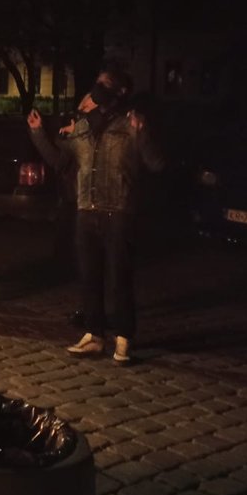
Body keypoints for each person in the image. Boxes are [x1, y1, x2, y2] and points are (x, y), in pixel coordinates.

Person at [27, 67, 163, 364]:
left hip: (119, 211)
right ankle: (95, 334)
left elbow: (156, 164)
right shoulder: (84, 127)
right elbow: (61, 162)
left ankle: (124, 338)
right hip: (86, 210)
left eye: (106, 84)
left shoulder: (132, 124)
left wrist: (143, 136)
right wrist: (37, 133)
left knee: (119, 278)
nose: (99, 89)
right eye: (97, 83)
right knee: (89, 277)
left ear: (122, 91)